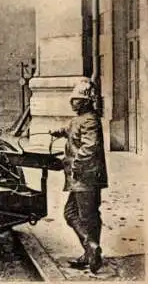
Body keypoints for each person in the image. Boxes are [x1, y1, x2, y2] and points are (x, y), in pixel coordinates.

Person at [49, 79, 108, 274]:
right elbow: (71, 129)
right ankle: (91, 250)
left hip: (86, 177)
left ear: (85, 102)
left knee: (84, 215)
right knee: (77, 214)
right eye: (72, 99)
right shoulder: (79, 119)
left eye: (76, 100)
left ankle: (91, 247)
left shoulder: (90, 119)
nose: (72, 103)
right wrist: (57, 132)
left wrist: (76, 164)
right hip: (80, 179)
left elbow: (90, 147)